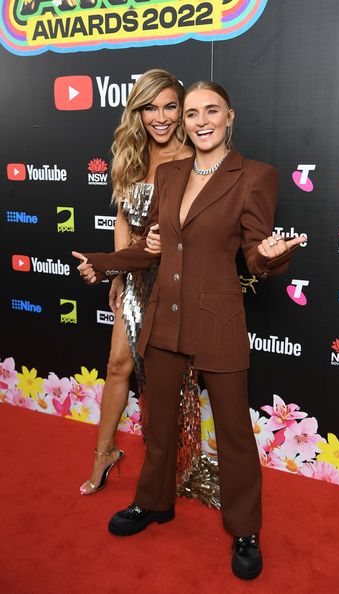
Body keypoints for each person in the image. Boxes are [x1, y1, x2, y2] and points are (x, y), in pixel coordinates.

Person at [73, 81, 305, 580]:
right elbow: (152, 250)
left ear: (229, 117)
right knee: (158, 426)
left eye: (211, 111)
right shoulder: (171, 174)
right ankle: (154, 502)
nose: (200, 121)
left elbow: (254, 253)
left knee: (234, 433)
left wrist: (269, 256)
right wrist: (104, 262)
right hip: (165, 316)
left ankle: (245, 529)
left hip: (218, 320)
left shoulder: (255, 176)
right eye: (193, 112)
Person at [79, 69, 198, 496]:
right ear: (138, 111)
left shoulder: (192, 155)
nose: (160, 117)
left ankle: (177, 460)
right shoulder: (131, 153)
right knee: (117, 365)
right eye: (150, 107)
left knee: (169, 375)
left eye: (169, 106)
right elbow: (123, 217)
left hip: (174, 280)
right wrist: (117, 273)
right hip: (135, 275)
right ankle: (104, 453)